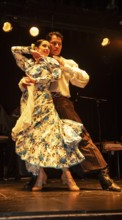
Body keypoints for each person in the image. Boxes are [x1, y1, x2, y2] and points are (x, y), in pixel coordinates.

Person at [20, 32, 121, 192]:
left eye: (59, 44)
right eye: (53, 43)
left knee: (80, 136)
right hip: (42, 103)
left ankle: (104, 176)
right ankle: (36, 176)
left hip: (61, 102)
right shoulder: (37, 62)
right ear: (46, 44)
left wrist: (63, 67)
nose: (56, 46)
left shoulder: (66, 62)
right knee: (37, 138)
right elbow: (26, 79)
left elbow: (84, 80)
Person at [11, 39, 85, 191]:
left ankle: (67, 175)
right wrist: (30, 50)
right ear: (37, 47)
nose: (47, 48)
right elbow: (14, 50)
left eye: (48, 46)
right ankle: (40, 175)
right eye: (43, 46)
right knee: (36, 139)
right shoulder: (29, 64)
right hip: (31, 104)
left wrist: (35, 79)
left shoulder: (51, 62)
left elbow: (55, 76)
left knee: (54, 137)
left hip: (45, 102)